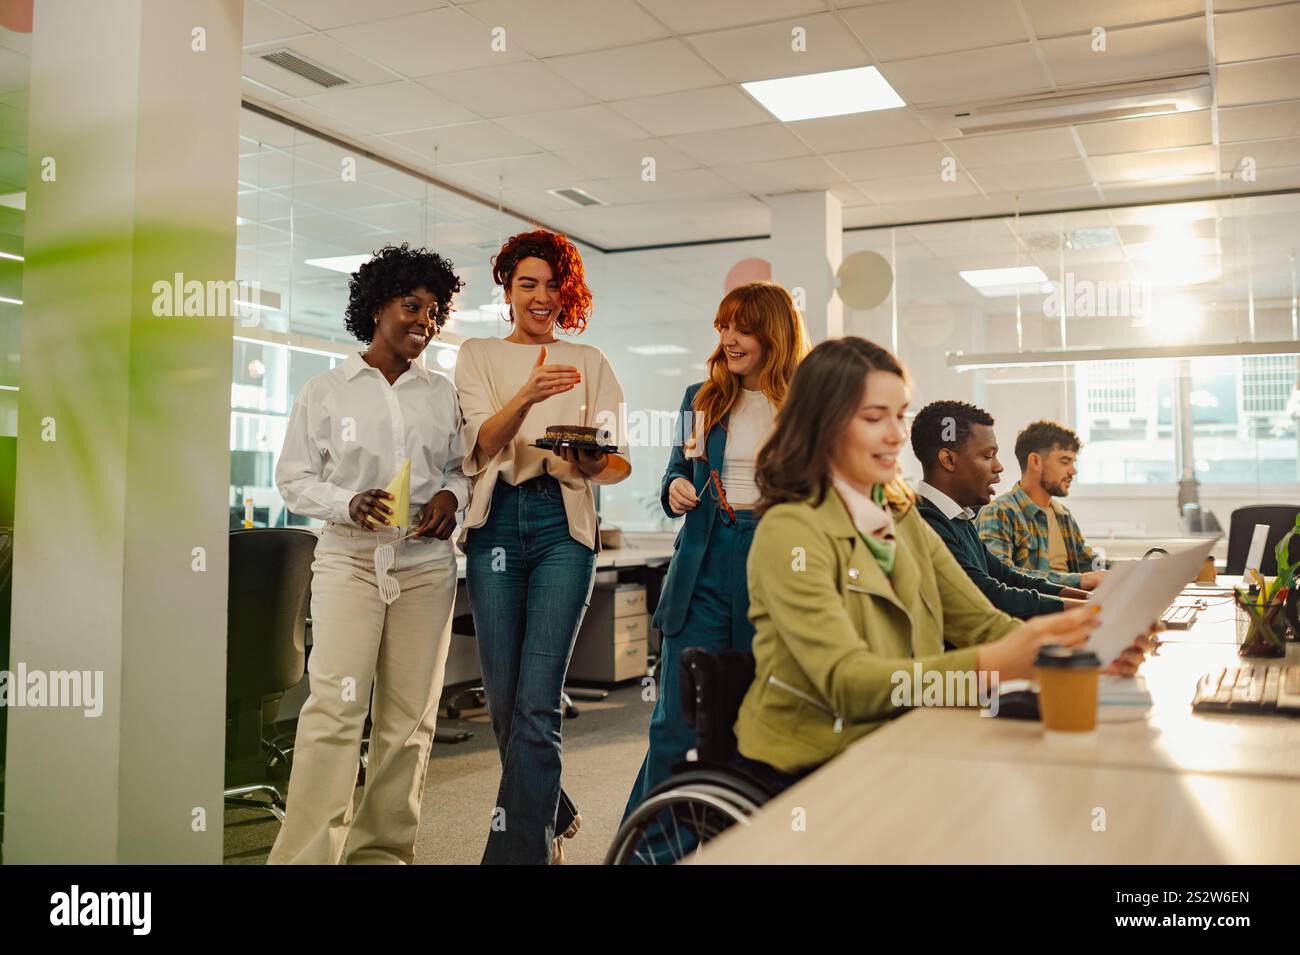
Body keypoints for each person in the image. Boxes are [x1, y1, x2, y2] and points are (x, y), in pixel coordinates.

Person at [733, 338, 1145, 792]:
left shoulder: (902, 516)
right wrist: (993, 664)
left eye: (899, 415)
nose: (895, 435)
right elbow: (847, 682)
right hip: (816, 760)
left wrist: (1083, 654)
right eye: (874, 418)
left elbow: (982, 624)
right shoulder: (790, 531)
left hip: (908, 735)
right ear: (822, 426)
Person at [269, 244, 470, 864]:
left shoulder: (441, 393)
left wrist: (448, 497)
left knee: (409, 721)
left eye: (435, 313)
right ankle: (306, 857)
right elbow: (293, 478)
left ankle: (381, 854)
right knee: (335, 709)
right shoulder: (327, 390)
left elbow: (463, 471)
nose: (424, 322)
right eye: (412, 305)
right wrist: (347, 502)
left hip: (425, 566)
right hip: (351, 561)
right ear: (378, 305)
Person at [454, 229, 630, 865]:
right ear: (507, 289)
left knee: (537, 702)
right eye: (528, 283)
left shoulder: (591, 361)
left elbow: (617, 465)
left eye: (554, 285)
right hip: (496, 523)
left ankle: (516, 855)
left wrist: (588, 460)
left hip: (563, 526)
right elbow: (479, 444)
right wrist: (528, 391)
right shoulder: (475, 354)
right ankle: (550, 813)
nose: (542, 296)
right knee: (503, 701)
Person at [623, 282, 808, 832]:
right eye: (724, 326)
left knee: (760, 721)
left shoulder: (806, 404)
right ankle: (652, 848)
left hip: (773, 560)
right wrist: (677, 487)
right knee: (677, 724)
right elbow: (675, 471)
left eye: (743, 328)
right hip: (703, 561)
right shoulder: (699, 399)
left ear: (773, 334)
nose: (729, 339)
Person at [910, 400, 1090, 618]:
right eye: (988, 456)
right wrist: (1090, 608)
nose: (999, 466)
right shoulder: (925, 522)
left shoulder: (959, 519)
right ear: (948, 460)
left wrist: (1088, 599)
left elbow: (1009, 577)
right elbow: (988, 594)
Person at [978, 420, 1107, 590]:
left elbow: (1089, 564)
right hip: (1038, 612)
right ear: (1035, 462)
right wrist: (1079, 580)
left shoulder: (1063, 515)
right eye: (1065, 461)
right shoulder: (997, 513)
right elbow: (1000, 575)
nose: (1073, 471)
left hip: (1077, 606)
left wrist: (1133, 568)